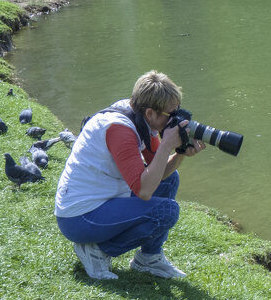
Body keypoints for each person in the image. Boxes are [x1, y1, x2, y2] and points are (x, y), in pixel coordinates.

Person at [55, 71, 206, 281]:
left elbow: (157, 170)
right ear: (151, 112)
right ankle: (97, 250)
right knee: (166, 212)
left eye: (177, 112)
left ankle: (148, 258)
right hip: (80, 217)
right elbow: (144, 191)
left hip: (104, 200)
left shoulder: (141, 117)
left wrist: (180, 153)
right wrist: (168, 144)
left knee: (171, 178)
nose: (175, 120)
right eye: (170, 115)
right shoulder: (120, 129)